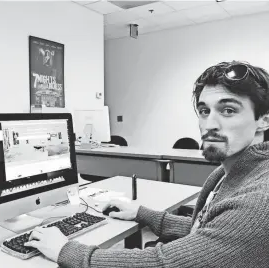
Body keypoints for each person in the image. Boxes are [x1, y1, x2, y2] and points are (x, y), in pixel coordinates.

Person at [24, 61, 269, 267]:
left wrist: (67, 250)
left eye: (228, 110)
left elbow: (161, 263)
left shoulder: (258, 202)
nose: (209, 124)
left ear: (264, 120)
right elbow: (207, 232)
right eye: (204, 111)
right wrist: (142, 214)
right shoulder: (228, 173)